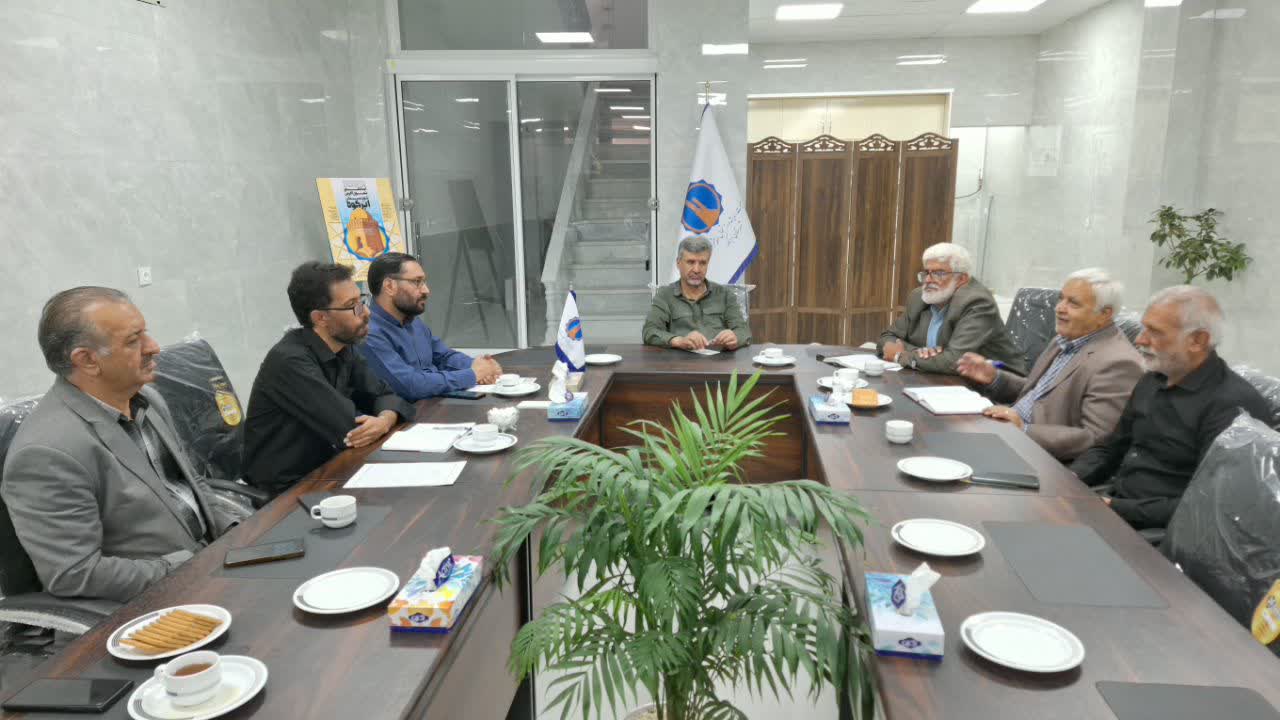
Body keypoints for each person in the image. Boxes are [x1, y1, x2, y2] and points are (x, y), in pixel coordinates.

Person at [2, 288, 229, 604]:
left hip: (212, 565)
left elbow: (192, 483)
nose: (154, 346)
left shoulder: (147, 399)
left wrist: (237, 533)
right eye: (134, 340)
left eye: (145, 333)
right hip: (153, 600)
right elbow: (75, 573)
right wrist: (186, 567)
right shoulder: (46, 453)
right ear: (87, 360)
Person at [1071, 286, 1270, 530]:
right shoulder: (1154, 378)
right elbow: (1111, 447)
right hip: (1116, 504)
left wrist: (1115, 508)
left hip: (1162, 532)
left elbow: (1214, 504)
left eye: (1154, 332)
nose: (1140, 339)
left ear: (1197, 341)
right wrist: (1071, 479)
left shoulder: (1232, 405)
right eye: (1144, 328)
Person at [242, 262, 414, 497]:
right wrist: (381, 418)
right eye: (352, 306)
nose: (367, 313)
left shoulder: (344, 347)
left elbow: (386, 395)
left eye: (362, 301)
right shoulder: (289, 361)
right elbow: (349, 429)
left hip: (330, 469)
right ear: (321, 318)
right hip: (287, 491)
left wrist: (384, 419)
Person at [956, 268, 1143, 462]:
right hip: (1007, 430)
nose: (1059, 308)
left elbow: (1096, 439)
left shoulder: (1118, 362)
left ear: (1104, 314)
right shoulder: (1065, 339)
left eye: (1073, 303)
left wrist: (1024, 429)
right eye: (1061, 298)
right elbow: (1041, 394)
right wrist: (995, 378)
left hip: (1043, 458)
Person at [358, 252, 503, 400]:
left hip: (437, 404)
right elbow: (410, 385)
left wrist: (478, 365)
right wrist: (472, 374)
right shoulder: (369, 333)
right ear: (389, 286)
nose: (426, 290)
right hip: (410, 412)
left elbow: (443, 356)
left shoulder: (413, 321)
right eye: (417, 282)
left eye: (424, 282)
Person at [877, 243, 1027, 376]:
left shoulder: (977, 302)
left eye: (939, 273)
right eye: (927, 273)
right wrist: (917, 352)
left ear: (961, 279)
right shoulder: (918, 297)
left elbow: (954, 361)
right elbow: (887, 338)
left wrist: (901, 356)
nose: (928, 280)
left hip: (995, 385)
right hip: (938, 378)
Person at [643, 237, 752, 350]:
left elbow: (744, 331)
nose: (696, 270)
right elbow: (649, 332)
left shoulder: (725, 295)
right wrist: (679, 341)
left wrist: (735, 337)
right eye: (690, 262)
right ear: (678, 263)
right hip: (681, 359)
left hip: (719, 359)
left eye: (702, 263)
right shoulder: (665, 295)